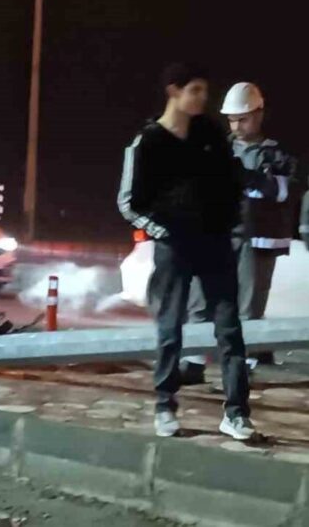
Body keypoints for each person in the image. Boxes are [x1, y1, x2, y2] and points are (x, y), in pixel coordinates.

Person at [117, 62, 254, 441]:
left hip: (215, 245)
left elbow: (231, 183)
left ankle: (237, 414)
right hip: (175, 248)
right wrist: (165, 232)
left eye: (204, 91)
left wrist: (227, 224)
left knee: (230, 330)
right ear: (174, 91)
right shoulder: (149, 142)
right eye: (195, 90)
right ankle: (165, 406)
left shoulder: (209, 133)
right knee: (170, 329)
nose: (202, 98)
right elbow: (128, 202)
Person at [180, 83, 302, 378]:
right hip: (218, 235)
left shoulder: (277, 154)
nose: (236, 126)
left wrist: (251, 179)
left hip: (256, 240)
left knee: (248, 306)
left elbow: (288, 191)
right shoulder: (218, 149)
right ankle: (194, 362)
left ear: (259, 114)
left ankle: (242, 367)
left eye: (242, 119)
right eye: (232, 120)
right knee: (200, 298)